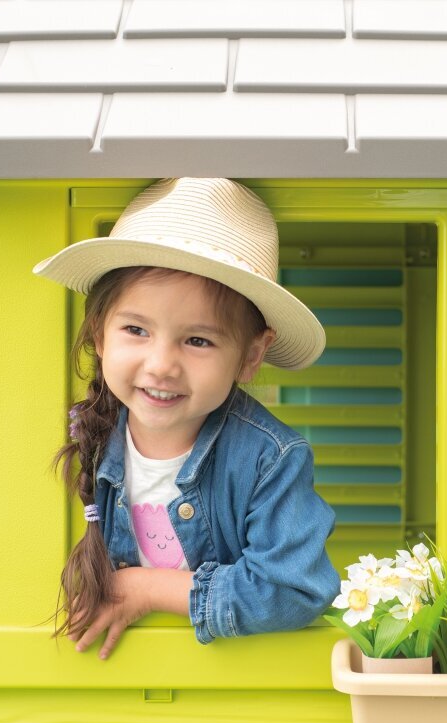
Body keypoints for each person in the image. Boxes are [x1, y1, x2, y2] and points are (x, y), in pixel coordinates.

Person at [33, 177, 339, 660]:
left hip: (229, 689)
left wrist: (148, 590)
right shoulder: (87, 431)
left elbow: (294, 589)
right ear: (99, 333)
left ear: (251, 355)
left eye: (198, 340)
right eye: (136, 329)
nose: (161, 365)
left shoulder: (269, 459)